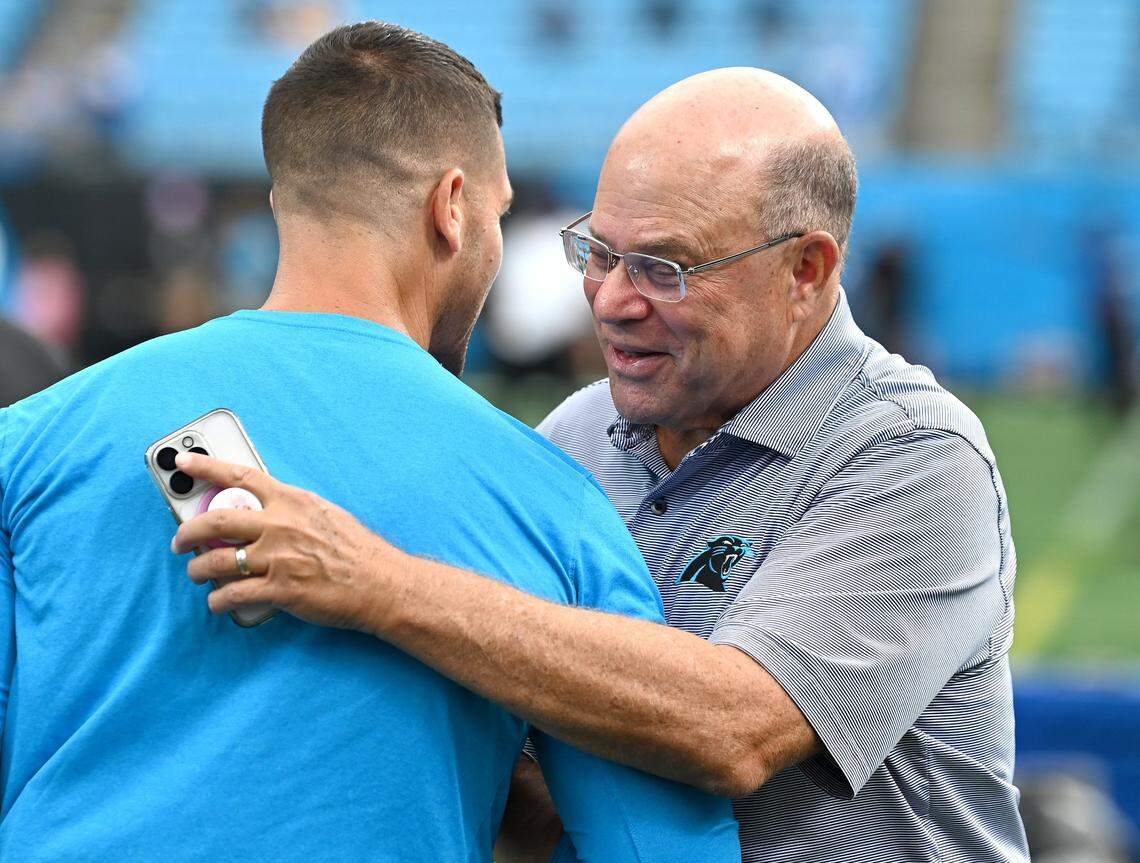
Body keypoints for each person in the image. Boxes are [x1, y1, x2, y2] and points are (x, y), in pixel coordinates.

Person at [177, 67, 1031, 862]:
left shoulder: (913, 457)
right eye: (599, 252)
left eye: (665, 268)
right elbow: (554, 797)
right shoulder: (577, 434)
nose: (612, 301)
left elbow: (733, 727)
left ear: (805, 269)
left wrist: (377, 583)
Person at [0, 24, 740, 862]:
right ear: (451, 208)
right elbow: (653, 847)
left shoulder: (28, 441)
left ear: (289, 197)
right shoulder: (554, 503)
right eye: (497, 214)